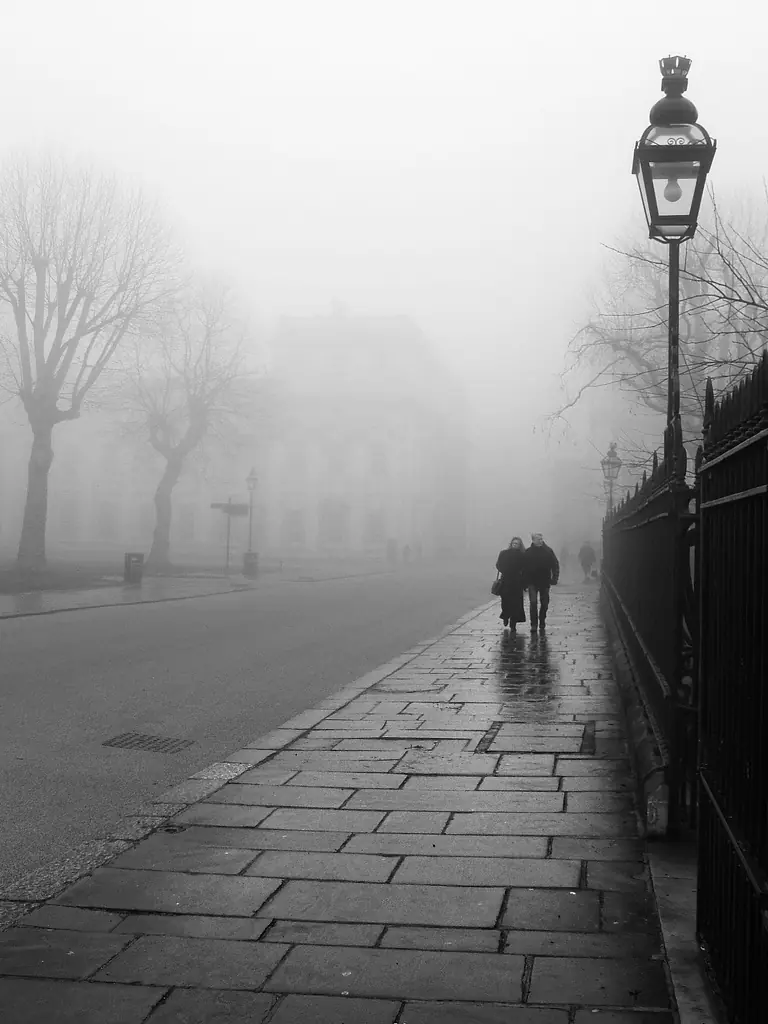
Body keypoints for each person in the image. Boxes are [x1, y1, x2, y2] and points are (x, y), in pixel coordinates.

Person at [524, 533, 559, 633]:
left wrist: (555, 578)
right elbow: (524, 568)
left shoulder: (548, 551)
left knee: (544, 603)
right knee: (533, 603)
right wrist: (524, 582)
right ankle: (534, 624)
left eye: (541, 539)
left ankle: (542, 620)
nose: (540, 541)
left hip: (544, 581)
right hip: (532, 582)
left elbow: (555, 565)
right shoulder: (528, 552)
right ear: (533, 540)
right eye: (538, 539)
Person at [495, 537, 527, 630]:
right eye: (513, 543)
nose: (515, 545)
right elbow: (498, 564)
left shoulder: (522, 555)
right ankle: (505, 616)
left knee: (516, 604)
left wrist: (524, 583)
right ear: (511, 544)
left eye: (517, 543)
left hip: (517, 582)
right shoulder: (504, 553)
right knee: (505, 601)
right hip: (506, 581)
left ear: (520, 545)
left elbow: (525, 569)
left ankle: (513, 623)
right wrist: (504, 570)